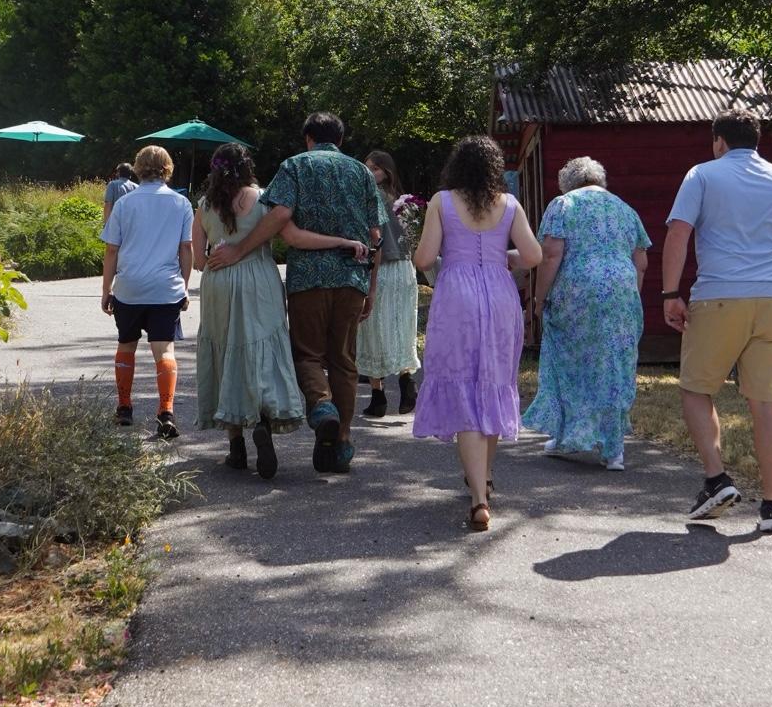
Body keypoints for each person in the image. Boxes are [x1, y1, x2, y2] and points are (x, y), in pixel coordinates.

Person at [663, 108, 772, 533]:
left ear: (719, 141)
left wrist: (670, 294)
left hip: (719, 296)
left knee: (696, 389)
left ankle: (717, 480)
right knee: (766, 402)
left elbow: (678, 233)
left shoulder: (701, 175)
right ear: (757, 140)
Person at [207, 111, 385, 475]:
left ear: (308, 138)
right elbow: (375, 235)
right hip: (352, 277)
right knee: (344, 360)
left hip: (308, 279)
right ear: (340, 139)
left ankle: (321, 406)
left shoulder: (295, 166)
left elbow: (280, 215)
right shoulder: (361, 172)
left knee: (307, 355)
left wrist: (239, 250)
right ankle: (342, 441)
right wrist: (372, 286)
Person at [412, 136, 542, 532]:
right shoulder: (509, 204)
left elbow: (424, 258)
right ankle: (482, 478)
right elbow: (533, 256)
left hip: (457, 297)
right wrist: (503, 256)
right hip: (500, 296)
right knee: (492, 385)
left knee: (465, 389)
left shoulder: (442, 201)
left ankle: (479, 500)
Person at [521, 157, 651, 471]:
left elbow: (551, 255)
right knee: (613, 367)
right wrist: (629, 297)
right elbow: (641, 263)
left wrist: (539, 298)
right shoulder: (625, 209)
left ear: (568, 183)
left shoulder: (563, 204)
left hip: (577, 294)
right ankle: (614, 450)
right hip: (622, 293)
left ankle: (566, 434)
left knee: (570, 362)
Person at [100, 145, 194, 440]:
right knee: (164, 350)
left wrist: (106, 289)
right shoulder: (181, 203)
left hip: (129, 287)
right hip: (166, 289)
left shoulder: (124, 204)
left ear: (138, 168)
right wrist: (185, 287)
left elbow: (111, 250)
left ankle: (124, 407)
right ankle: (166, 412)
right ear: (168, 168)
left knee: (126, 344)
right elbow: (186, 248)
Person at [358, 150, 421, 417]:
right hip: (405, 269)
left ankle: (378, 396)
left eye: (374, 168)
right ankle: (407, 383)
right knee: (402, 326)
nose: (369, 173)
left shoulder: (369, 200)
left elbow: (374, 242)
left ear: (386, 171)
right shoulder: (406, 202)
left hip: (381, 268)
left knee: (373, 329)